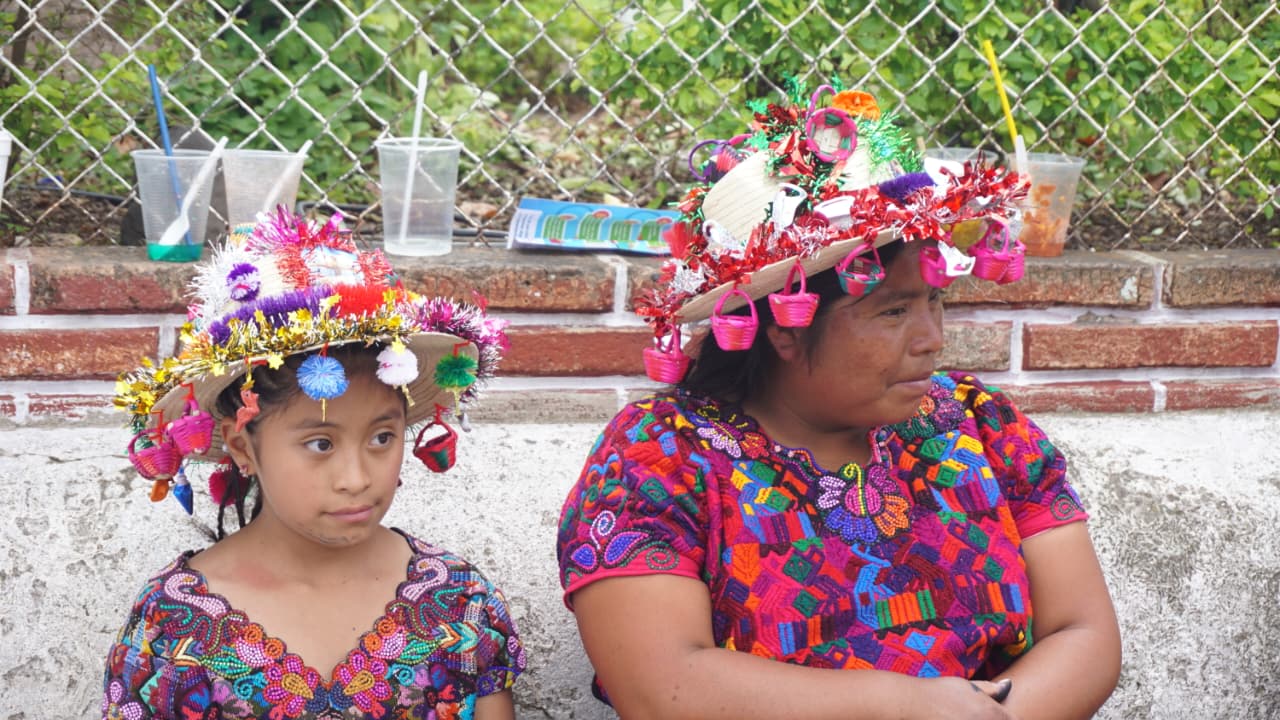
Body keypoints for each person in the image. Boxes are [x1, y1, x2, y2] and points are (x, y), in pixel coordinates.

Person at [556, 79, 1120, 719]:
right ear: (785, 328)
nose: (931, 340)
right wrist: (906, 709)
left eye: (934, 300)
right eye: (892, 311)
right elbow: (662, 689)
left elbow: (1085, 633)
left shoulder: (977, 423)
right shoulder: (661, 460)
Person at [105, 209, 524, 719]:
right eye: (320, 444)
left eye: (383, 436)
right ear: (241, 446)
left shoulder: (460, 603)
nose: (358, 479)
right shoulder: (170, 626)